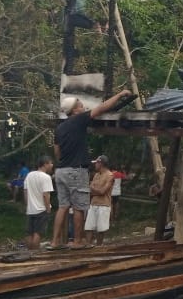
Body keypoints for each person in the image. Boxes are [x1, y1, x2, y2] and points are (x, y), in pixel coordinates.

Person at [51, 89, 131, 249]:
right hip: (76, 171)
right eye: (81, 106)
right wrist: (120, 95)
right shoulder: (79, 119)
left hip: (60, 171)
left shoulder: (59, 128)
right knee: (79, 207)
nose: (83, 108)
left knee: (63, 206)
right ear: (75, 110)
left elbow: (57, 152)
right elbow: (102, 108)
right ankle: (77, 241)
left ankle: (54, 242)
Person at [24, 156, 54, 250]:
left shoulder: (29, 175)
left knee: (29, 233)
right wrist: (48, 209)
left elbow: (25, 191)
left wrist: (28, 205)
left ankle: (29, 252)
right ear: (45, 164)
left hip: (30, 209)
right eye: (50, 163)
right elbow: (46, 195)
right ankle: (35, 252)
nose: (52, 165)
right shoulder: (46, 177)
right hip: (41, 209)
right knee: (38, 233)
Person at [85, 154, 114, 247]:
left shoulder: (110, 175)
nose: (95, 165)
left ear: (100, 163)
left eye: (96, 163)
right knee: (89, 227)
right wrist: (96, 190)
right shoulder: (96, 175)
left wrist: (93, 189)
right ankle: (88, 245)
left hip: (104, 205)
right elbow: (93, 190)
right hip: (93, 203)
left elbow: (102, 191)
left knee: (101, 229)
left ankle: (99, 246)